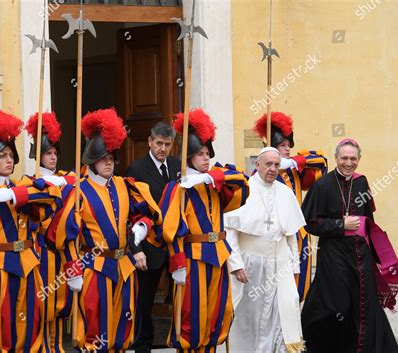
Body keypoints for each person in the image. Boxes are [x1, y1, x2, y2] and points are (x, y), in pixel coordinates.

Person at [52, 108, 162, 352]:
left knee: (123, 332)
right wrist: (73, 270)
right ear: (92, 160)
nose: (109, 162)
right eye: (103, 158)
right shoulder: (78, 191)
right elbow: (67, 235)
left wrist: (141, 228)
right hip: (94, 267)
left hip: (124, 267)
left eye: (112, 157)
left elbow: (143, 213)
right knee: (95, 334)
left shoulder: (125, 185)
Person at [148, 108, 249, 353]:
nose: (206, 158)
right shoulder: (178, 188)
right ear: (189, 157)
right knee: (192, 319)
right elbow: (169, 231)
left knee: (216, 317)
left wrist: (209, 178)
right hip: (192, 260)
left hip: (218, 256)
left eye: (207, 153)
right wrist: (177, 263)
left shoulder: (214, 184)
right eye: (200, 154)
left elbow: (242, 186)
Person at [0, 110, 63, 352]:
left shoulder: (23, 187)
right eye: (2, 156)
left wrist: (12, 194)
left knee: (31, 325)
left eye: (11, 155)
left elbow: (51, 197)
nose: (8, 160)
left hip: (29, 266)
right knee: (1, 329)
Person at [301, 138, 398, 353]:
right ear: (336, 158)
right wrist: (339, 224)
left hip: (361, 256)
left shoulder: (362, 182)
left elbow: (368, 220)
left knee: (366, 305)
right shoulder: (322, 185)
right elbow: (309, 223)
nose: (348, 162)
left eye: (353, 158)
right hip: (334, 255)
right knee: (337, 306)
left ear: (359, 159)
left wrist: (376, 255)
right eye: (344, 158)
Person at [225, 147, 306, 353]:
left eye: (277, 165)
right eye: (268, 164)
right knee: (249, 318)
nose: (272, 169)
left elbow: (291, 236)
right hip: (251, 266)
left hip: (280, 265)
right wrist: (236, 265)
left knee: (280, 315)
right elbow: (230, 232)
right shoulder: (244, 190)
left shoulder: (286, 193)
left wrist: (295, 268)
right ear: (257, 164)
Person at [253, 111, 327, 301]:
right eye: (282, 145)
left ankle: (295, 323)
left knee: (301, 284)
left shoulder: (294, 169)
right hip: (277, 235)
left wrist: (294, 161)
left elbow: (321, 162)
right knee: (280, 285)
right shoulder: (262, 172)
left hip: (300, 234)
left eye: (288, 145)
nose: (287, 149)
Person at [125, 121, 180, 353]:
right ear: (149, 141)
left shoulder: (179, 167)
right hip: (150, 246)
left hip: (176, 245)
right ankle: (142, 345)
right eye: (159, 143)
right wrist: (135, 247)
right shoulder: (136, 170)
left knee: (181, 298)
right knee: (144, 301)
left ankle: (180, 342)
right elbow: (132, 212)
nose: (163, 149)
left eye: (167, 144)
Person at [24, 112, 76, 353]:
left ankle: (55, 348)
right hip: (39, 254)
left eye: (55, 153)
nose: (53, 157)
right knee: (40, 305)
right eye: (48, 153)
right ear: (38, 155)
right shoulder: (28, 182)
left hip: (62, 253)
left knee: (60, 306)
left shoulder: (67, 180)